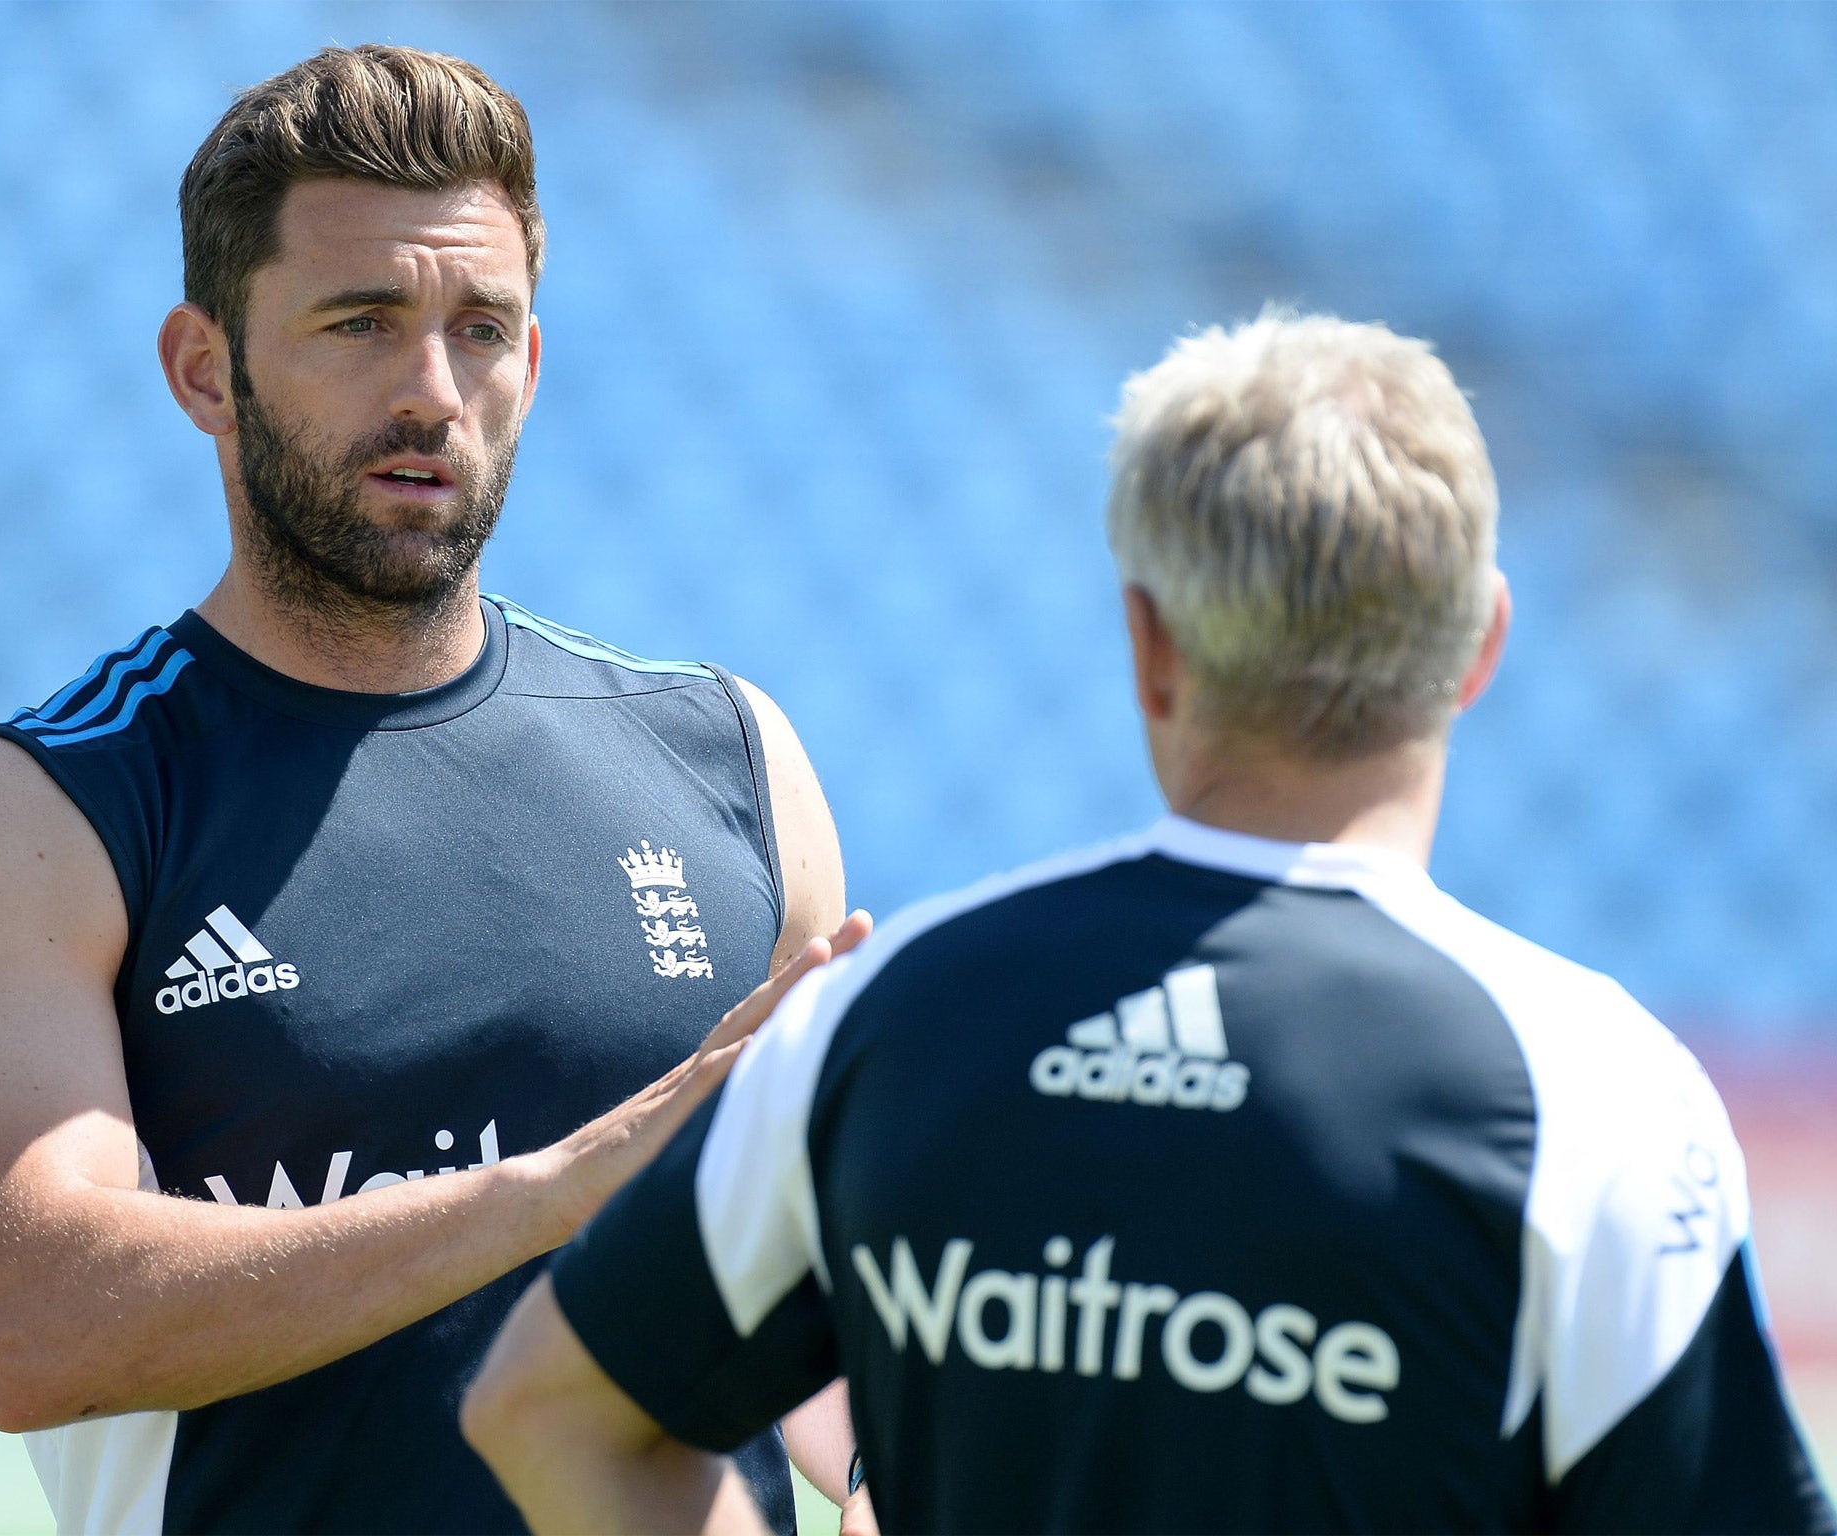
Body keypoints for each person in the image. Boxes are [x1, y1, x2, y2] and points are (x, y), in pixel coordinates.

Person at [460, 313, 1836, 1534]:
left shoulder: (885, 1015)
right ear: (1481, 645)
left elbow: (545, 1411)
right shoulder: (1595, 1091)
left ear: (1151, 643)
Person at [0, 43, 869, 1535]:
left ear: (532, 363)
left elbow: (806, 1286)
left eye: (481, 329)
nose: (432, 390)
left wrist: (888, 1465)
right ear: (203, 369)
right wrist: (550, 1198)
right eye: (360, 322)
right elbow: (29, 1323)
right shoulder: (48, 805)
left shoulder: (729, 755)